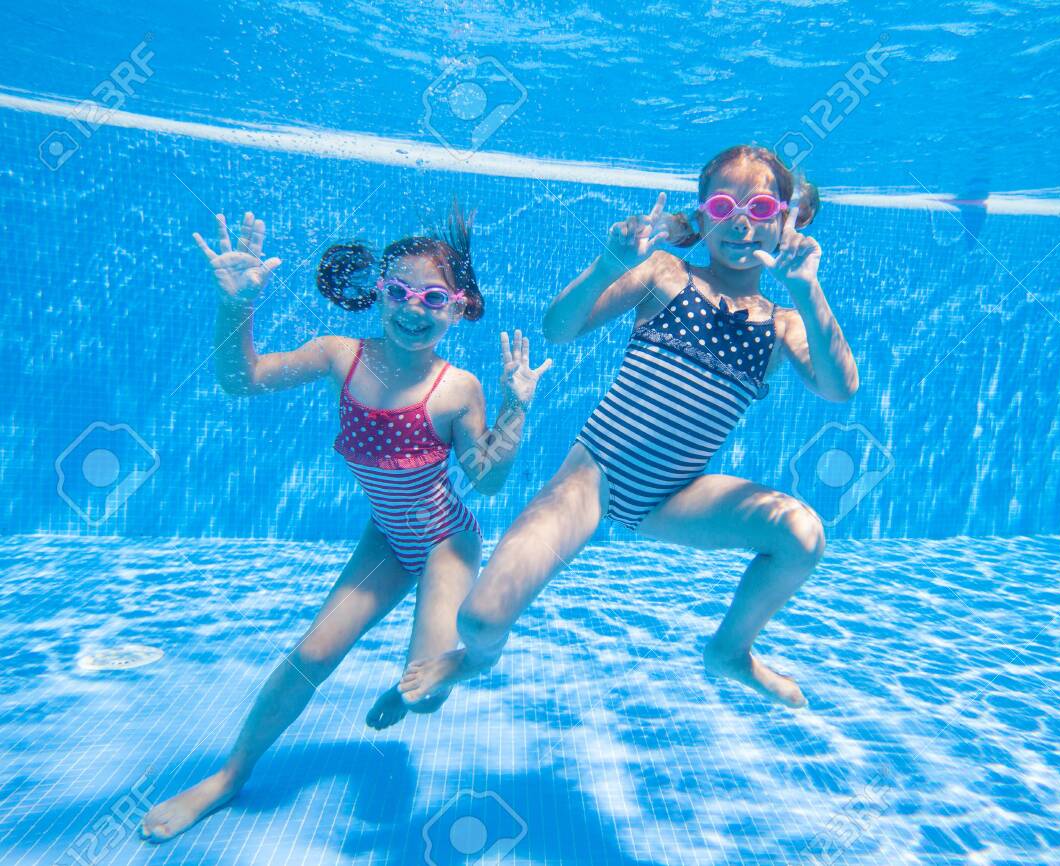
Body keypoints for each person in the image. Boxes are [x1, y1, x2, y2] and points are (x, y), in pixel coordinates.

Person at [398, 145, 858, 712]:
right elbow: (558, 328)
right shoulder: (668, 274)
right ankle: (475, 660)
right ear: (703, 212)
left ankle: (731, 651)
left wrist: (806, 288)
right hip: (593, 476)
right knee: (481, 618)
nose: (741, 222)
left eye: (761, 209)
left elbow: (841, 387)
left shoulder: (783, 323)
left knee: (803, 536)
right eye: (722, 204)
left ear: (785, 220)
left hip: (676, 496)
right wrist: (610, 264)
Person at [140, 206, 551, 841]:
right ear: (377, 293)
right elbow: (241, 381)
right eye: (398, 291)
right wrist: (236, 305)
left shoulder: (457, 386)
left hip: (446, 539)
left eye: (433, 297)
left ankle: (419, 682)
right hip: (388, 538)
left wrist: (515, 408)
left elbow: (486, 479)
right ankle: (228, 777)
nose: (413, 309)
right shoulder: (341, 356)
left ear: (459, 306)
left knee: (428, 693)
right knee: (311, 655)